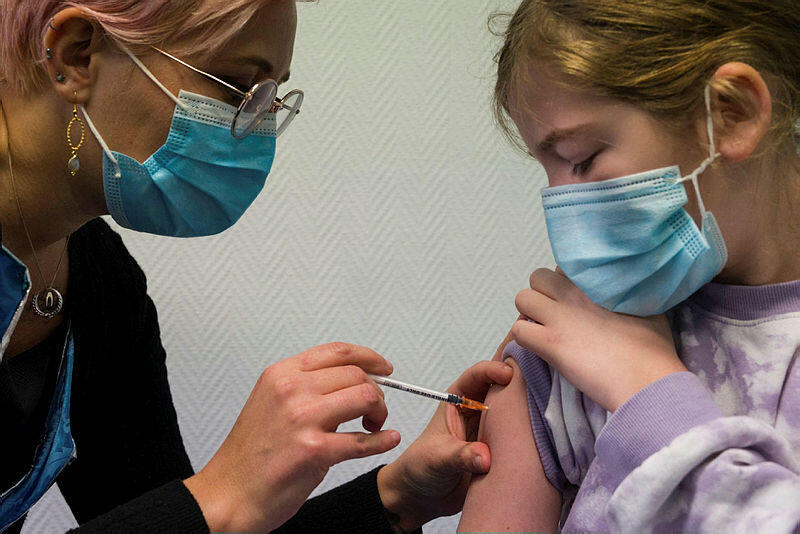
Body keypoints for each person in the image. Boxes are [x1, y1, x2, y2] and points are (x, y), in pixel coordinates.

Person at [0, 1, 514, 533]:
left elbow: (174, 522)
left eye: (270, 98)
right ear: (77, 55)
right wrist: (227, 489)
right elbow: (207, 512)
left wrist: (396, 497)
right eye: (236, 85)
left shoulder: (99, 281)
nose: (256, 128)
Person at [457, 0, 800, 532]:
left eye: (582, 158)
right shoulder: (568, 343)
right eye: (548, 171)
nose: (562, 211)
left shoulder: (599, 359)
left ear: (731, 113)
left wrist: (646, 390)